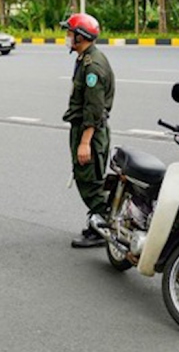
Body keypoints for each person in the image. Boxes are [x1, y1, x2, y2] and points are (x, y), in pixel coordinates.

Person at [61, 13, 116, 248]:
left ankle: (104, 226)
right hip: (86, 130)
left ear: (80, 37)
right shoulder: (85, 58)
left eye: (70, 33)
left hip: (90, 133)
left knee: (89, 181)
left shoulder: (93, 66)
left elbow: (94, 108)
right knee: (90, 179)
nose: (66, 37)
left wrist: (85, 142)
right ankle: (98, 222)